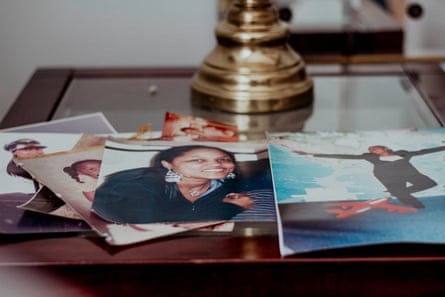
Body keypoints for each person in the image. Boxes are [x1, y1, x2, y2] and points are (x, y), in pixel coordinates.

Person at [92, 145, 254, 223]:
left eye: (223, 159)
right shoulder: (140, 184)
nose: (217, 165)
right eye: (197, 160)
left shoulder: (226, 183)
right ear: (168, 165)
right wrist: (229, 208)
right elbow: (150, 221)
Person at [294, 144, 445, 209]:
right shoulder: (370, 157)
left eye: (374, 148)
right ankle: (418, 210)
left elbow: (424, 151)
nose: (372, 151)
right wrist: (311, 154)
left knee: (430, 183)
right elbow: (345, 156)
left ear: (384, 148)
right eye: (370, 150)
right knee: (406, 199)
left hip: (410, 173)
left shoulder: (403, 153)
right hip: (387, 176)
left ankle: (400, 194)